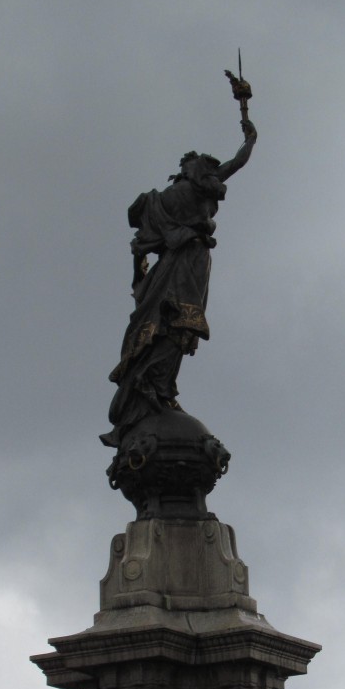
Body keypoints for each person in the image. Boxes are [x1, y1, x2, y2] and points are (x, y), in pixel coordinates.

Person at [100, 119, 257, 447]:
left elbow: (141, 242)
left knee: (171, 324)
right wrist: (249, 139)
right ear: (194, 169)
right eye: (205, 167)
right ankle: (152, 389)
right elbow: (236, 163)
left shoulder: (166, 196)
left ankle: (158, 389)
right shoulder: (183, 192)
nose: (211, 173)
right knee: (171, 323)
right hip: (185, 261)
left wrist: (249, 141)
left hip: (181, 263)